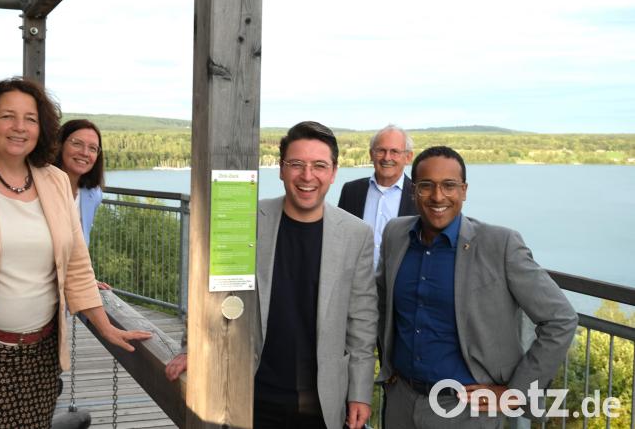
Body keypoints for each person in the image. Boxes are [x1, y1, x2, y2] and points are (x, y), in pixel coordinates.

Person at [0, 77, 150, 428]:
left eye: (31, 119)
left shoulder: (54, 180)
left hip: (43, 354)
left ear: (42, 128)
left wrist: (106, 328)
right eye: (8, 116)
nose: (19, 127)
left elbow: (78, 266)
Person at [167, 121, 378, 429]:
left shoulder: (356, 234)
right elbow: (212, 290)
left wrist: (360, 393)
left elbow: (362, 321)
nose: (307, 176)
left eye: (319, 165)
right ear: (281, 169)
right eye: (296, 164)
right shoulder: (248, 220)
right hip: (251, 393)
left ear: (333, 172)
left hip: (322, 402)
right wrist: (193, 348)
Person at [376, 145, 578, 428]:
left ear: (464, 190)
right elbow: (383, 302)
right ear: (413, 190)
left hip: (466, 411)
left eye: (449, 185)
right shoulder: (396, 234)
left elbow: (561, 319)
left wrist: (515, 394)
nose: (437, 196)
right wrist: (387, 363)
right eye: (426, 186)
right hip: (401, 401)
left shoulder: (500, 244)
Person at [338, 124, 417, 267]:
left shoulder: (419, 195)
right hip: (356, 285)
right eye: (381, 150)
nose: (387, 158)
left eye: (394, 151)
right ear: (371, 154)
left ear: (408, 157)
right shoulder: (351, 191)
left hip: (397, 286)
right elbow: (340, 239)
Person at [54, 118, 110, 290]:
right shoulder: (38, 186)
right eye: (77, 143)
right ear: (60, 145)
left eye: (93, 148)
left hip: (67, 289)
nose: (85, 153)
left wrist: (87, 279)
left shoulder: (92, 195)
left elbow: (78, 249)